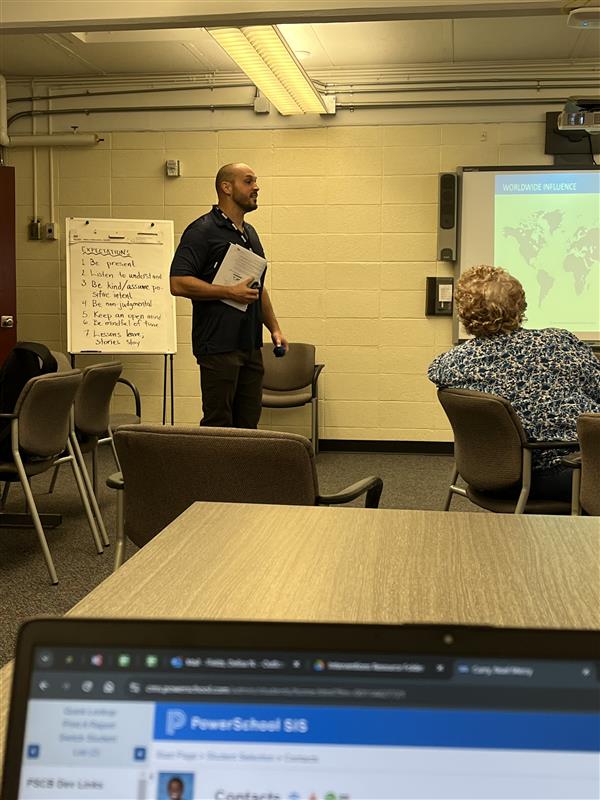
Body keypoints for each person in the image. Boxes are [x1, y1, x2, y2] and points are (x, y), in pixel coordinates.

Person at [428, 264, 600, 499]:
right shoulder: (558, 342)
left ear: (464, 312)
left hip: (502, 470)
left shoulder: (450, 364)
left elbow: (435, 371)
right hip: (574, 468)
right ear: (520, 306)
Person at [170, 162, 287, 427]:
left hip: (249, 344)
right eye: (248, 181)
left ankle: (243, 471)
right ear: (226, 187)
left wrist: (275, 329)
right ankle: (212, 471)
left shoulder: (250, 233)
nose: (256, 187)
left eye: (255, 181)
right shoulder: (202, 231)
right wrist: (227, 291)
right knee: (219, 424)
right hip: (218, 345)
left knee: (248, 424)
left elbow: (258, 287)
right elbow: (177, 283)